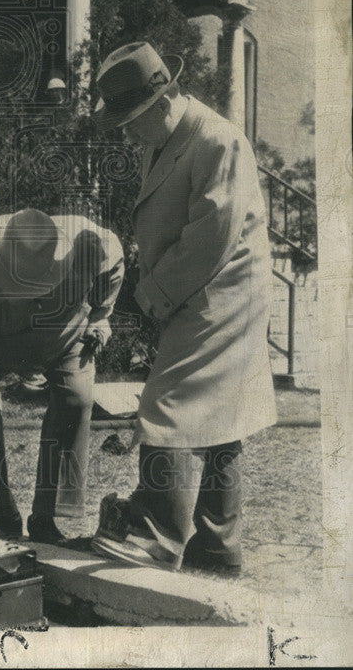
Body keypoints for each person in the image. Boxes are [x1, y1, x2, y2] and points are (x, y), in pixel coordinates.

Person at [91, 41, 276, 575]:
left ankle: (158, 534)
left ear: (163, 102)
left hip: (222, 292)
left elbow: (209, 238)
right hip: (205, 289)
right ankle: (218, 548)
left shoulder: (218, 140)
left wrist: (154, 293)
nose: (125, 133)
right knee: (224, 420)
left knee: (166, 404)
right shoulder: (172, 137)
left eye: (130, 121)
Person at [0, 209, 125, 543]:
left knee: (76, 398)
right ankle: (0, 514)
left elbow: (115, 264)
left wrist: (100, 316)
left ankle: (47, 517)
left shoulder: (91, 244)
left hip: (65, 338)